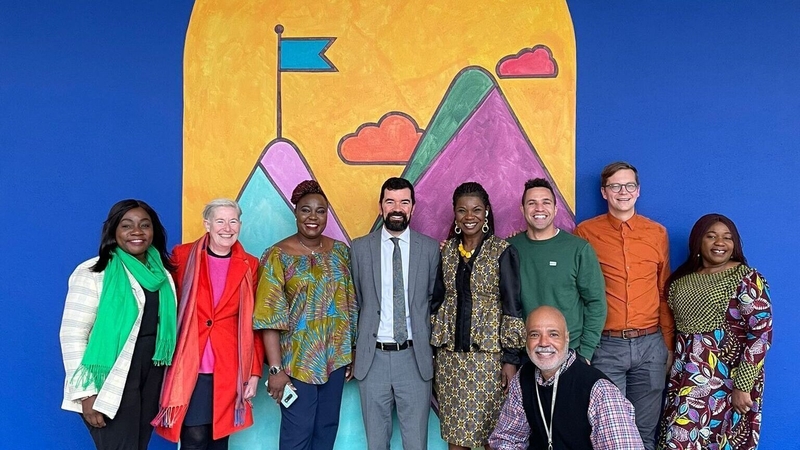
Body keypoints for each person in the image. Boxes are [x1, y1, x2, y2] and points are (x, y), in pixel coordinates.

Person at [59, 199, 177, 450]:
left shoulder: (163, 275)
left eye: (145, 225)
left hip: (152, 374)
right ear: (114, 230)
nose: (137, 231)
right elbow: (72, 334)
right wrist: (86, 394)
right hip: (111, 377)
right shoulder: (94, 272)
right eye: (127, 225)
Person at [574, 162, 673, 450]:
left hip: (650, 345)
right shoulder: (585, 233)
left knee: (645, 433)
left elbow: (663, 291)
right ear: (604, 192)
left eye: (629, 185)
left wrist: (667, 344)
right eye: (615, 186)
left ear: (638, 191)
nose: (623, 192)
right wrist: (586, 348)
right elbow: (580, 294)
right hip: (606, 346)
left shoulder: (657, 233)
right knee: (608, 432)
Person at [152, 199, 264, 449]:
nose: (227, 227)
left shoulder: (250, 264)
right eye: (220, 221)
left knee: (219, 439)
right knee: (194, 437)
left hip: (230, 366)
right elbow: (165, 304)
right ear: (207, 224)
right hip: (189, 362)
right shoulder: (182, 255)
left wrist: (254, 372)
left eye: (233, 221)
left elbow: (254, 324)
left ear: (240, 224)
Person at [254, 180, 357, 450]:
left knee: (326, 432)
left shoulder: (341, 253)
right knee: (297, 436)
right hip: (296, 363)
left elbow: (351, 304)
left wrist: (353, 351)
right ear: (295, 212)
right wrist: (276, 370)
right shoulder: (277, 255)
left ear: (327, 214)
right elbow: (268, 316)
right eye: (305, 210)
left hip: (335, 360)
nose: (313, 217)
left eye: (320, 211)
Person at [659, 214, 773, 450]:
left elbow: (761, 334)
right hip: (686, 378)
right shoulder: (681, 281)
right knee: (679, 440)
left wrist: (743, 385)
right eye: (711, 236)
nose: (720, 243)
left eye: (727, 238)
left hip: (729, 379)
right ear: (698, 242)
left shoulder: (746, 278)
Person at [430, 182, 525, 450]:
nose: (469, 216)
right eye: (462, 210)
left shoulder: (502, 251)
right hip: (449, 360)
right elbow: (437, 301)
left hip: (488, 360)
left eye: (476, 210)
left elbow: (512, 305)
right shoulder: (446, 251)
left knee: (490, 434)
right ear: (455, 214)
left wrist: (510, 359)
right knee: (455, 435)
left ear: (486, 213)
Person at [350, 177, 440, 450]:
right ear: (381, 207)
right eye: (390, 201)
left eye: (404, 201)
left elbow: (432, 301)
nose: (397, 207)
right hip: (372, 359)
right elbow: (357, 300)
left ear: (413, 207)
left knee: (416, 444)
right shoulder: (360, 248)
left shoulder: (430, 248)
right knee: (376, 444)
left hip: (414, 359)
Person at [489, 306, 644, 450]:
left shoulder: (599, 390)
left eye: (553, 334)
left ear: (567, 338)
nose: (543, 342)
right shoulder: (523, 379)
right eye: (535, 334)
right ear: (526, 340)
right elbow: (506, 439)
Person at [507, 178, 607, 363]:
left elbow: (596, 303)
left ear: (555, 208)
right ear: (522, 210)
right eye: (532, 203)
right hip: (526, 355)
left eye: (546, 202)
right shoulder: (509, 249)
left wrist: (585, 353)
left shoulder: (578, 249)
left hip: (570, 353)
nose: (539, 208)